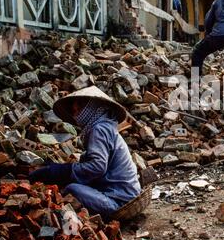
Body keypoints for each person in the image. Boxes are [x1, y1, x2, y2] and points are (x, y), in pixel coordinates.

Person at [29, 86, 141, 220]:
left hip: (120, 201)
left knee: (72, 188)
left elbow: (97, 167)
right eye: (74, 111)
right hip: (123, 193)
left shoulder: (99, 129)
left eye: (78, 110)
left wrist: (63, 171)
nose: (75, 115)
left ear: (91, 108)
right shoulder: (105, 126)